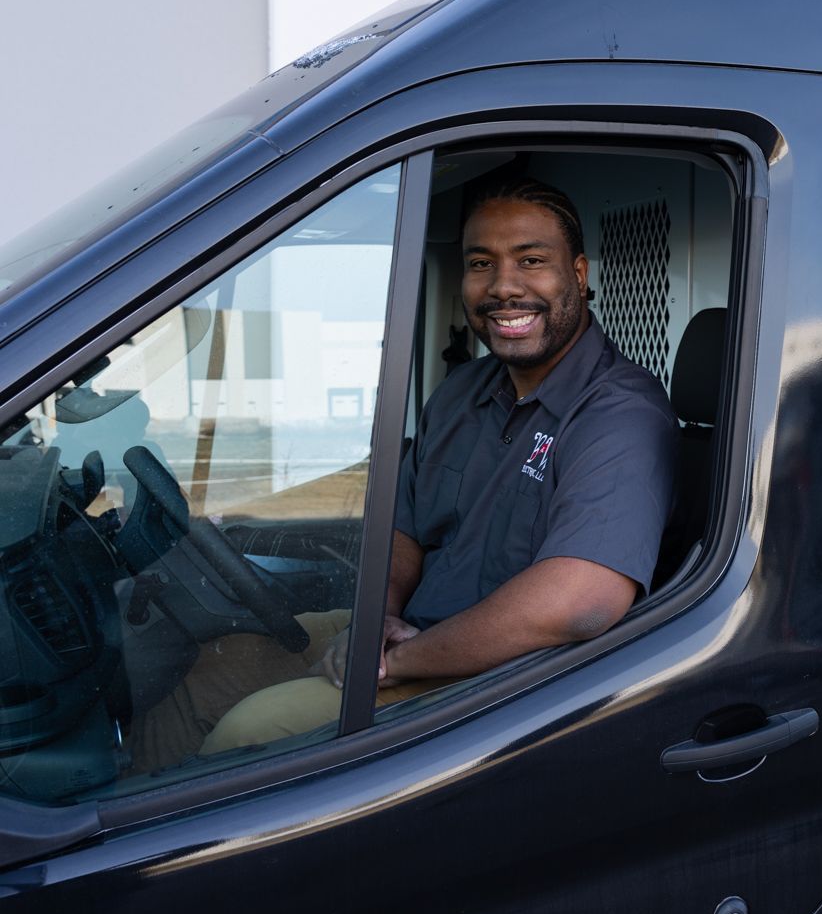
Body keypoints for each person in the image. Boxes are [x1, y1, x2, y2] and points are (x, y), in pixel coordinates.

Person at [194, 179, 677, 752]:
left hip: (506, 681)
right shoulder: (460, 392)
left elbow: (580, 604)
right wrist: (375, 621)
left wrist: (399, 660)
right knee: (212, 667)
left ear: (578, 274)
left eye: (531, 261)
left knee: (255, 727)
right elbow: (405, 530)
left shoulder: (621, 413)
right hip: (412, 635)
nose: (503, 286)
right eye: (481, 263)